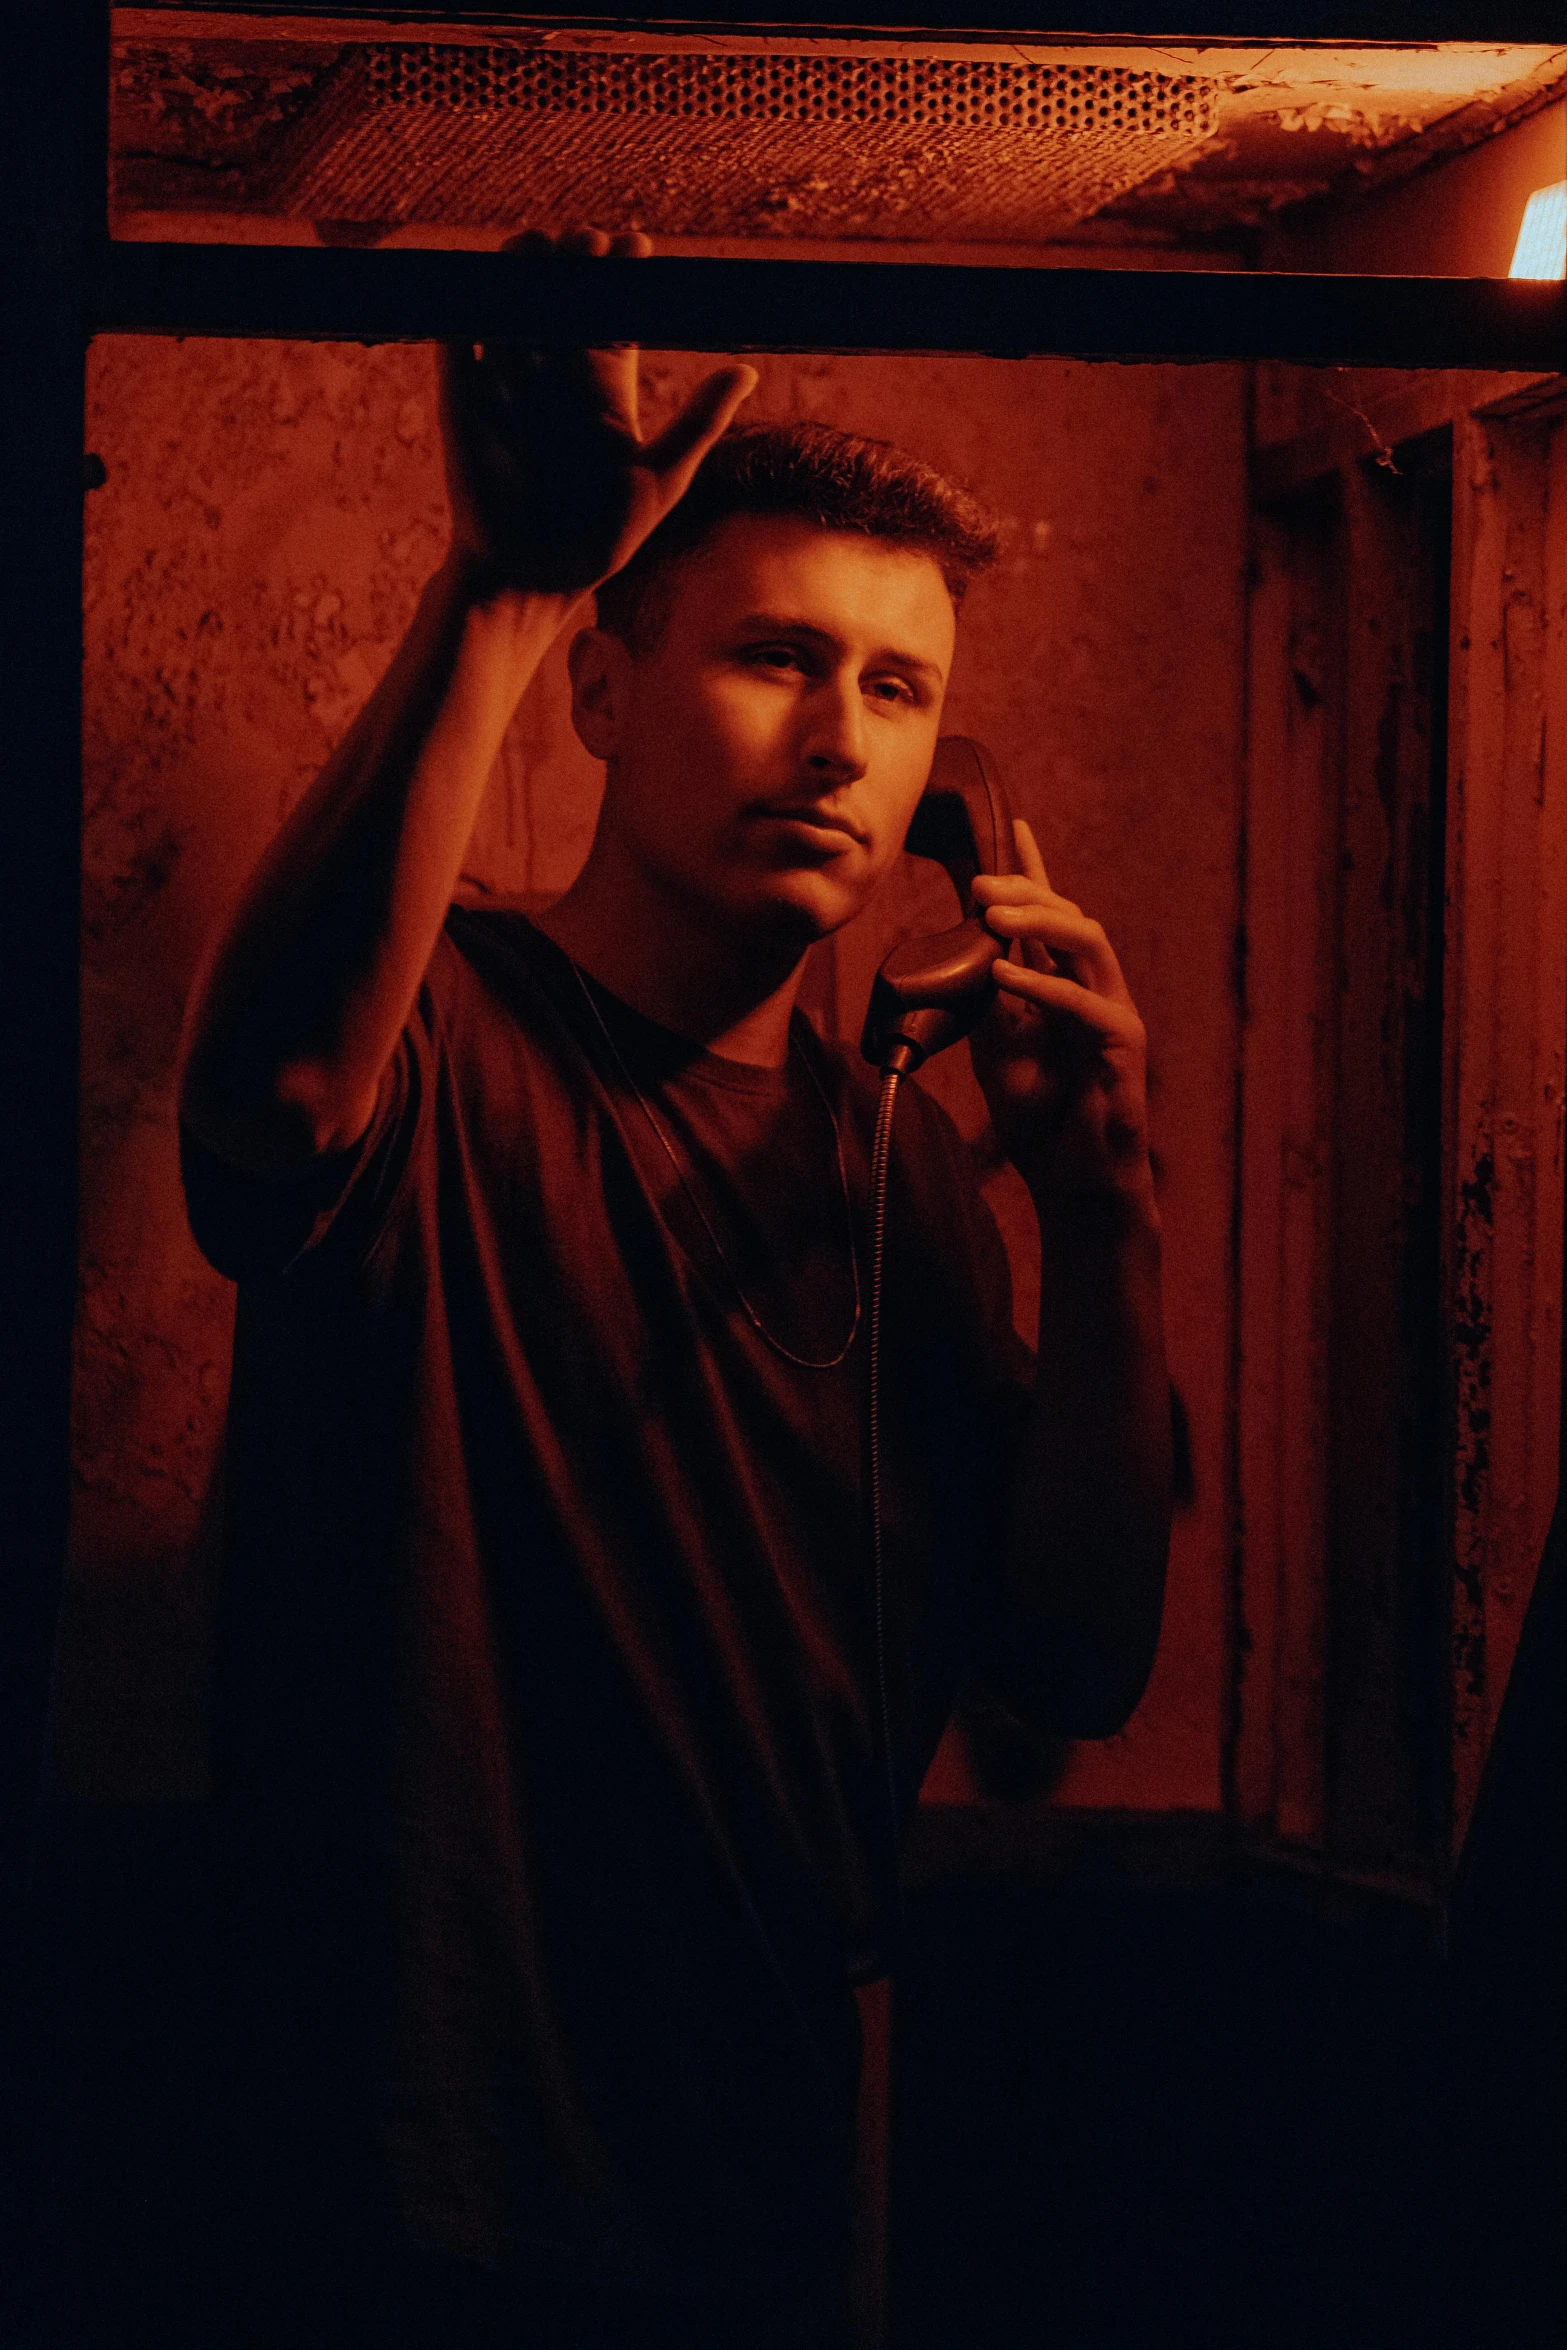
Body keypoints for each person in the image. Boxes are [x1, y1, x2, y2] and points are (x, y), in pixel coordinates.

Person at [177, 231, 1171, 2350]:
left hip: (756, 2185)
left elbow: (1070, 1664)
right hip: (388, 2178)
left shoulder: (901, 1174)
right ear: (613, 692)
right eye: (775, 659)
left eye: (897, 690)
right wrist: (507, 595)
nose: (839, 738)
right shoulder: (439, 1024)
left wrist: (1106, 1222)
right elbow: (268, 1100)